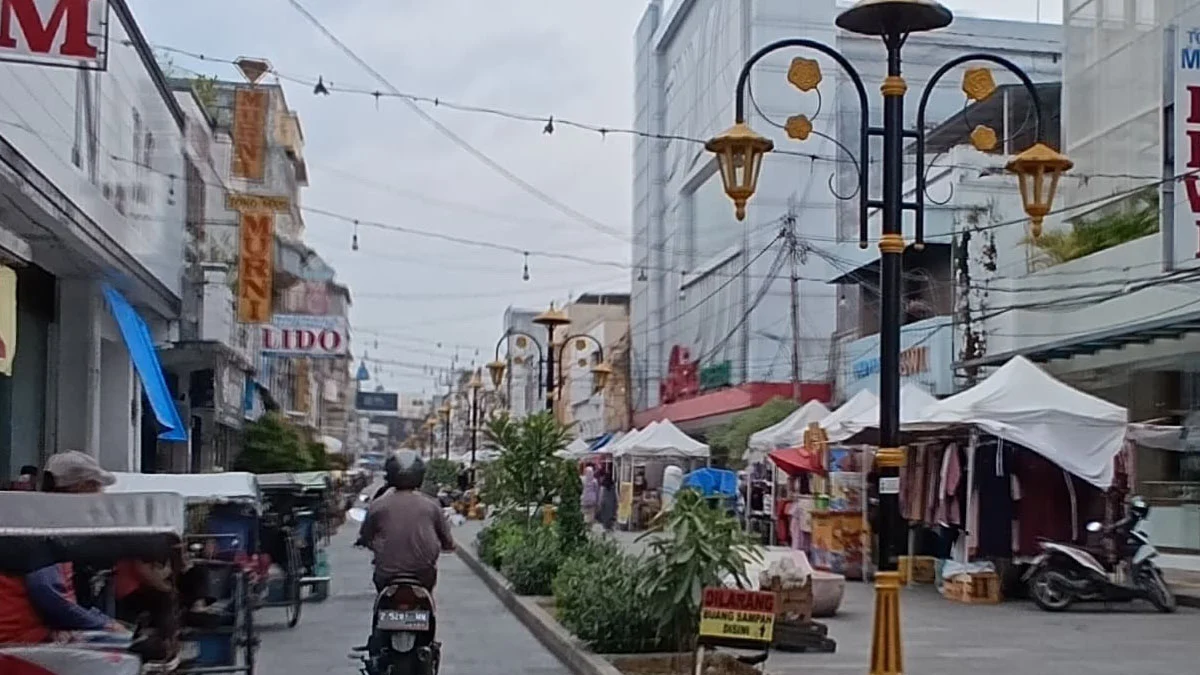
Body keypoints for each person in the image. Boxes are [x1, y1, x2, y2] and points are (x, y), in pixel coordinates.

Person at [0, 452, 124, 644]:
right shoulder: (43, 530)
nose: (101, 499)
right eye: (97, 489)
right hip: (19, 641)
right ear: (82, 488)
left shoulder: (40, 522)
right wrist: (104, 625)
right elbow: (49, 594)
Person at [358, 450, 455, 592]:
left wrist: (367, 542)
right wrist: (448, 546)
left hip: (387, 573)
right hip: (422, 572)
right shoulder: (431, 505)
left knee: (380, 587)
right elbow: (447, 539)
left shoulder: (378, 504)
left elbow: (366, 535)